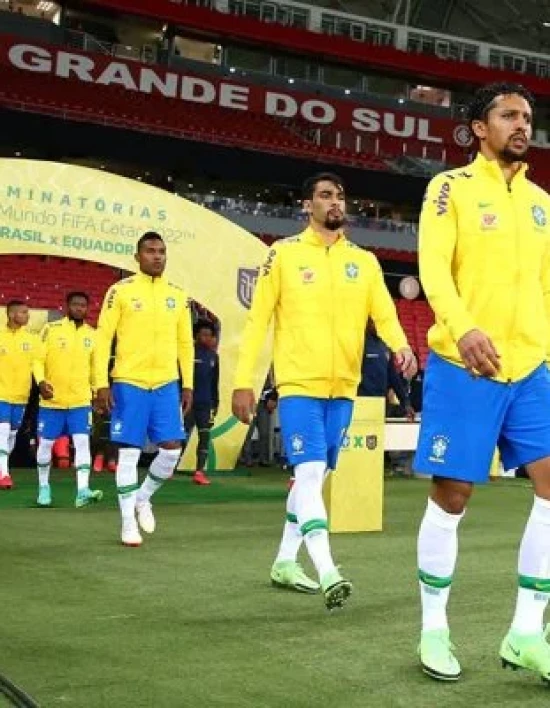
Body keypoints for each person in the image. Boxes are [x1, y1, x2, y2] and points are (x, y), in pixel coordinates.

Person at [414, 82, 550, 683]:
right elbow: (432, 268)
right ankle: (434, 629)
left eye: (527, 116)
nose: (523, 124)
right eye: (508, 115)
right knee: (453, 497)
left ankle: (526, 631)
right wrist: (463, 327)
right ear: (478, 128)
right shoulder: (450, 190)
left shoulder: (543, 202)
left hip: (530, 367)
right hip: (467, 365)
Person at [232, 172, 416, 609]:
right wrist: (244, 381)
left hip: (344, 387)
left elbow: (384, 314)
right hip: (298, 383)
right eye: (325, 195)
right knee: (311, 473)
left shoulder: (365, 261)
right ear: (306, 205)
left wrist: (402, 345)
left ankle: (283, 561)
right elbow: (258, 321)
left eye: (340, 196)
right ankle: (328, 569)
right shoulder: (284, 255)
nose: (335, 202)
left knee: (315, 476)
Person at [94, 232, 194, 547]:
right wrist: (100, 382)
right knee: (129, 453)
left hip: (166, 383)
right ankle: (126, 524)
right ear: (137, 256)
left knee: (171, 449)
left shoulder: (177, 295)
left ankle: (143, 497)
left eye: (162, 251)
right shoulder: (120, 291)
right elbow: (102, 337)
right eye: (150, 251)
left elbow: (185, 343)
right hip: (129, 382)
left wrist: (188, 382)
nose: (157, 256)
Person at [33, 292, 103, 508]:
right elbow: (37, 359)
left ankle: (82, 490)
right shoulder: (51, 329)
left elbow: (95, 369)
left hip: (80, 402)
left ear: (88, 308)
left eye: (83, 305)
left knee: (82, 443)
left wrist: (98, 391)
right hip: (52, 402)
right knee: (45, 445)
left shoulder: (93, 335)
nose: (79, 308)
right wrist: (41, 381)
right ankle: (44, 487)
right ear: (67, 306)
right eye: (75, 304)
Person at [0, 300, 39, 489]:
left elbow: (37, 365)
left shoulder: (32, 340)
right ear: (12, 314)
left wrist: (42, 382)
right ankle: (4, 474)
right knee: (3, 430)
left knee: (12, 436)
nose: (27, 316)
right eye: (24, 312)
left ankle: (1, 468)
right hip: (1, 394)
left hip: (21, 396)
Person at [183, 319, 219, 486]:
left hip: (205, 404)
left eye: (209, 335)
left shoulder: (213, 357)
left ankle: (199, 471)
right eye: (203, 334)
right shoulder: (187, 353)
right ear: (196, 335)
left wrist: (215, 403)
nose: (206, 338)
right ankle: (168, 468)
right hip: (188, 402)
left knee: (204, 436)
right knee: (180, 435)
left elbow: (214, 383)